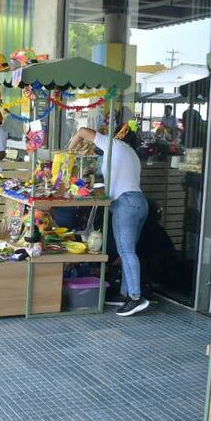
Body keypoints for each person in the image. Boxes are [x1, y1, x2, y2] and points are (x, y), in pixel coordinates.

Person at [69, 125, 149, 316]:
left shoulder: (114, 145)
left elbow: (82, 131)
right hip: (139, 202)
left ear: (119, 136)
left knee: (126, 252)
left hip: (125, 204)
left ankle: (135, 297)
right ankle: (125, 294)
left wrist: (68, 152)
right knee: (128, 252)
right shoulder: (132, 154)